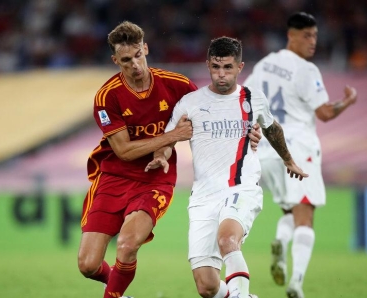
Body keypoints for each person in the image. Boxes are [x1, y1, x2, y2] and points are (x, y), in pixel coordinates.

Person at [77, 21, 261, 298]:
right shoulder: (107, 96)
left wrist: (250, 132)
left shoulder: (176, 85)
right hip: (113, 177)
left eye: (138, 55)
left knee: (127, 245)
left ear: (146, 49)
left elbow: (215, 111)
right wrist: (171, 136)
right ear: (116, 61)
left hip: (154, 178)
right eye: (126, 60)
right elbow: (124, 151)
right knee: (88, 265)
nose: (135, 64)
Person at [145, 36, 308, 298]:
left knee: (227, 240)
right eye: (216, 67)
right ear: (208, 64)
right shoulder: (191, 103)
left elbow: (272, 128)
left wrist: (288, 159)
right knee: (207, 286)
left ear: (240, 67)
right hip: (203, 196)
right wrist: (162, 155)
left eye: (228, 68)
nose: (221, 75)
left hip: (240, 187)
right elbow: (169, 138)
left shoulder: (252, 99)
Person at [243, 12, 358, 298]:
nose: (312, 42)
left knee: (289, 210)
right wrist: (348, 101)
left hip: (268, 151)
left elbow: (246, 103)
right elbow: (325, 113)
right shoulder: (307, 71)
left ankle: (281, 243)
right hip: (297, 150)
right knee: (305, 215)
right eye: (306, 35)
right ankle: (296, 282)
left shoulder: (265, 65)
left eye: (315, 36)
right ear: (290, 35)